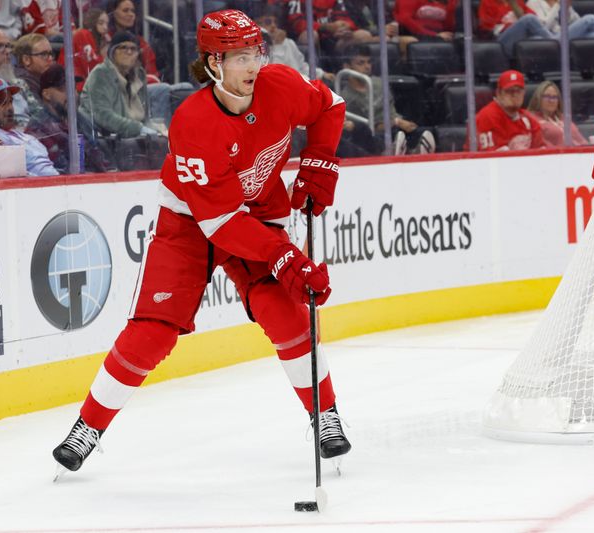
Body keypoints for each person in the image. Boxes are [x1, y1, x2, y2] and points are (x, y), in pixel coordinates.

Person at [52, 9, 352, 474]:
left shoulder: (282, 85)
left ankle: (325, 414)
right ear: (213, 63)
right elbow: (222, 225)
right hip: (191, 222)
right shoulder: (193, 122)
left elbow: (330, 105)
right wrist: (285, 255)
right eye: (238, 56)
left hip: (258, 213)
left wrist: (318, 161)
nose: (252, 65)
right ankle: (88, 426)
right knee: (152, 331)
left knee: (285, 312)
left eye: (255, 52)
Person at [339, 44, 435, 154]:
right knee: (381, 138)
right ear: (347, 67)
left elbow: (391, 111)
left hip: (394, 127)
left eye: (369, 62)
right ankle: (395, 151)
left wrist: (399, 122)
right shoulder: (344, 96)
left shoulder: (380, 83)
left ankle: (412, 151)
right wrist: (395, 122)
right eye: (361, 63)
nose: (367, 66)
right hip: (374, 135)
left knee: (422, 132)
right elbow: (362, 129)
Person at [26, 63, 111, 173]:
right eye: (64, 89)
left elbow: (103, 161)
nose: (73, 95)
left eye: (74, 88)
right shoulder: (38, 127)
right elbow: (58, 173)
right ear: (46, 94)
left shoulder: (81, 121)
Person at [80, 31, 159, 137]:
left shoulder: (139, 75)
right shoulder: (101, 73)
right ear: (112, 52)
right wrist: (138, 129)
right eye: (123, 48)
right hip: (106, 138)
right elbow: (102, 116)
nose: (129, 52)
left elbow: (145, 117)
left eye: (133, 49)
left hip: (134, 137)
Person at [0, 77, 58, 176]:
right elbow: (14, 177)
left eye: (10, 102)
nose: (10, 108)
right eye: (1, 103)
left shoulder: (24, 136)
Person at [473, 69, 545, 151]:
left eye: (518, 91)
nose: (514, 95)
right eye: (509, 91)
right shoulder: (487, 116)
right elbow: (495, 158)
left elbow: (541, 151)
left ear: (524, 93)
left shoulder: (528, 119)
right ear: (498, 93)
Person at [526, 0, 594, 51]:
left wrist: (567, 9)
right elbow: (544, 27)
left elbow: (577, 23)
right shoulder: (533, 2)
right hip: (548, 40)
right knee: (590, 19)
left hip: (564, 37)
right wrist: (557, 6)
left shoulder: (561, 2)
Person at [478, 0, 556, 57]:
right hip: (500, 43)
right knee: (528, 19)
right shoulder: (487, 2)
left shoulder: (517, 1)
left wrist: (514, 5)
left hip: (521, 40)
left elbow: (534, 19)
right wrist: (509, 24)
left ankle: (556, 45)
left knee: (538, 39)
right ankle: (557, 44)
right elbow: (486, 29)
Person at [526, 80, 587, 146]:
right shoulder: (532, 120)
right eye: (547, 96)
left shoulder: (564, 118)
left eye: (554, 97)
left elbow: (582, 142)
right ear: (538, 98)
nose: (551, 100)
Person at [13, 33, 53, 116]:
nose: (50, 59)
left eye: (50, 54)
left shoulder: (41, 80)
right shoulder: (22, 82)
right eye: (44, 54)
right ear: (26, 59)